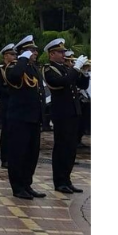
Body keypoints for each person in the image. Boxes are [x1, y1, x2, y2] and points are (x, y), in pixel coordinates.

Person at [42, 39, 90, 194]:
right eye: (61, 52)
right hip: (62, 113)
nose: (64, 55)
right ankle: (59, 181)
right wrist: (75, 68)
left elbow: (81, 84)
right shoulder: (49, 69)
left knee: (71, 149)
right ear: (52, 54)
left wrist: (84, 72)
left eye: (64, 52)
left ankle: (67, 180)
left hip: (73, 112)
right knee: (62, 147)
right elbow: (62, 82)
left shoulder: (65, 68)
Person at [5, 35, 47, 200]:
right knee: (18, 153)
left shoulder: (33, 68)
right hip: (19, 117)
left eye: (35, 50)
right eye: (31, 50)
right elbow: (15, 77)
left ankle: (26, 184)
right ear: (23, 52)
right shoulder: (13, 67)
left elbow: (40, 92)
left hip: (33, 118)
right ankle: (17, 187)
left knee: (31, 154)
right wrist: (21, 59)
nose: (35, 53)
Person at [0, 44, 17, 168]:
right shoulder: (0, 69)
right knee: (7, 132)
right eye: (12, 54)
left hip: (16, 104)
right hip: (6, 103)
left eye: (15, 54)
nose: (14, 56)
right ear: (5, 56)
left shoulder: (16, 68)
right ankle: (5, 158)